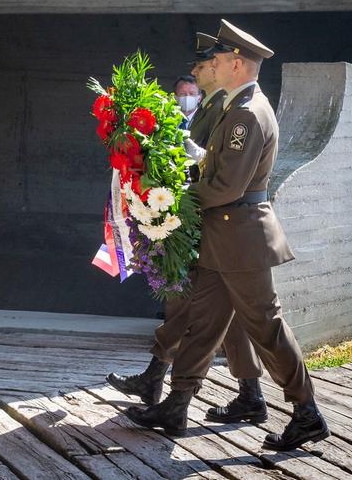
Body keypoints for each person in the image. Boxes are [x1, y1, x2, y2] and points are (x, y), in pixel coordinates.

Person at [126, 20, 330, 452]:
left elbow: (226, 187)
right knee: (205, 321)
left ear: (236, 64)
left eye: (217, 60)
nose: (211, 67)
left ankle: (307, 412)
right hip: (226, 236)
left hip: (242, 236)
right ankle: (177, 403)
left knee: (265, 326)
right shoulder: (235, 107)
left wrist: (173, 200)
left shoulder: (246, 114)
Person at [107, 33, 268, 426]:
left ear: (225, 65)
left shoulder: (231, 108)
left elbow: (216, 170)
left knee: (211, 310)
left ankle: (171, 388)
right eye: (199, 66)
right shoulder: (217, 104)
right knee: (214, 311)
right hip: (210, 221)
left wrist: (181, 191)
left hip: (219, 222)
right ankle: (242, 394)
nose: (200, 71)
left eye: (205, 65)